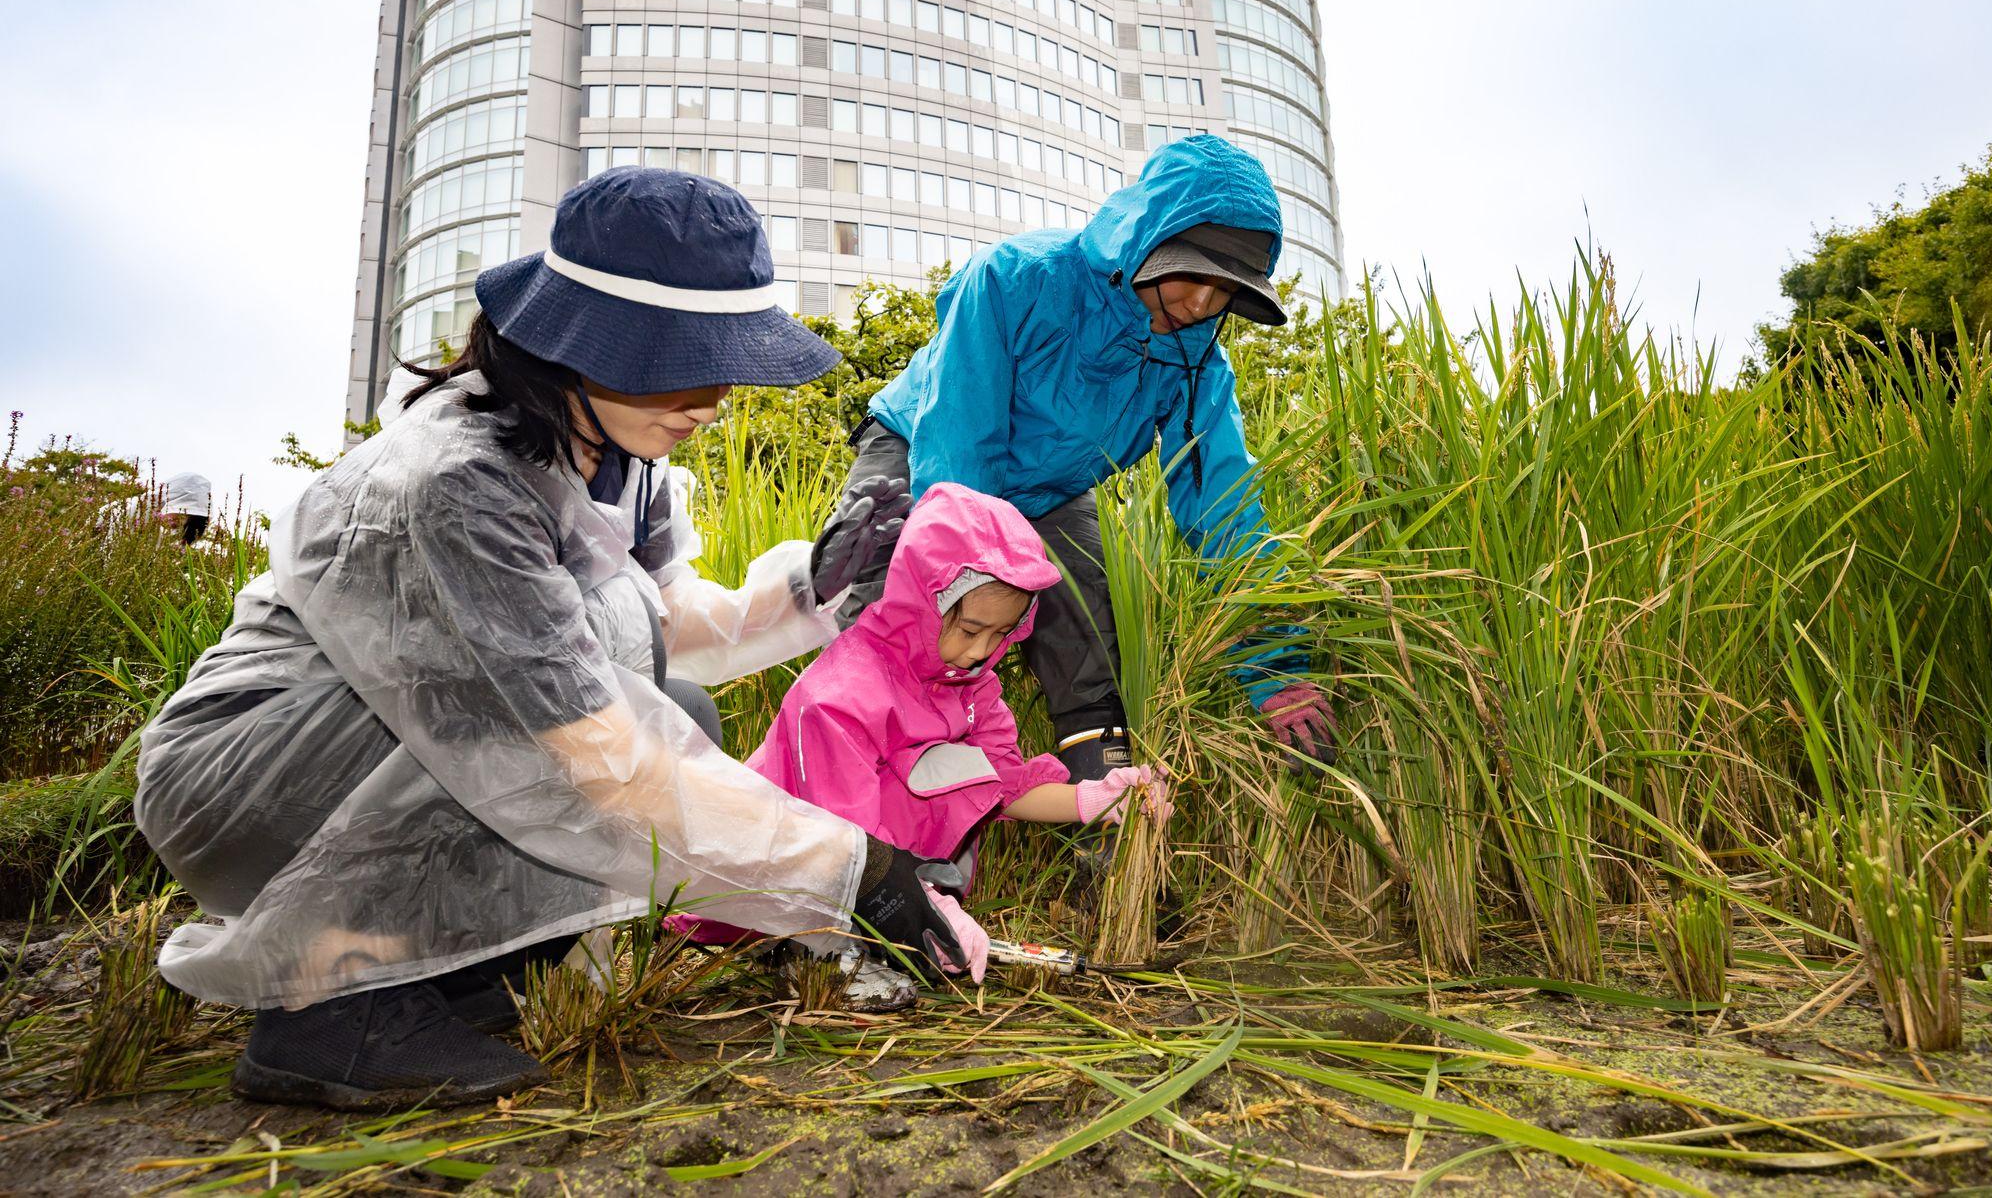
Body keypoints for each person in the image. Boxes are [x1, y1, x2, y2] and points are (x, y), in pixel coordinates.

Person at [133, 168, 962, 1111]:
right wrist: (851, 869)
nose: (713, 397)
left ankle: (445, 969)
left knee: (675, 705)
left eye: (724, 364)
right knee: (594, 728)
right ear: (583, 343)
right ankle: (331, 1000)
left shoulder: (620, 452)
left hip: (394, 749)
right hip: (252, 773)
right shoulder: (458, 482)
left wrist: (815, 581)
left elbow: (661, 630)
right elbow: (594, 752)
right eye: (684, 362)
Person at [816, 135, 1338, 798]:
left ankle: (1107, 815)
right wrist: (964, 578)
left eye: (1226, 290)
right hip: (925, 448)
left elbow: (1224, 509)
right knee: (898, 607)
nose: (1203, 305)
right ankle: (860, 800)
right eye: (1194, 274)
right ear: (1148, 237)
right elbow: (960, 447)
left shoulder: (1199, 363)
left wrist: (1275, 665)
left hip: (1054, 488)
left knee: (1087, 626)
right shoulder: (1017, 279)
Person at [670, 483, 1169, 1004]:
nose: (981, 651)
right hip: (780, 881)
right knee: (919, 775)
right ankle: (818, 953)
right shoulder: (842, 693)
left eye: (1000, 634)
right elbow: (839, 830)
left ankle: (864, 936)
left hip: (881, 880)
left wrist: (1095, 799)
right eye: (970, 628)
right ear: (924, 601)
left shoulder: (974, 686)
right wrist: (917, 902)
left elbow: (1000, 786)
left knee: (955, 765)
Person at [96, 471, 212, 545]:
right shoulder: (129, 510)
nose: (180, 522)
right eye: (182, 514)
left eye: (187, 519)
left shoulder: (155, 531)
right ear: (173, 500)